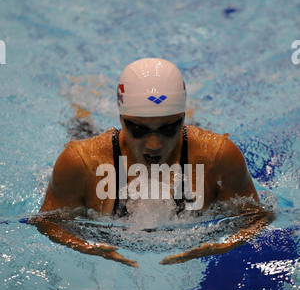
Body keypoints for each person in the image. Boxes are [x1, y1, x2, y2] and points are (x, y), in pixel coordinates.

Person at [34, 58, 273, 267]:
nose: (154, 145)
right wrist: (85, 247)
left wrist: (222, 246)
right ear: (121, 119)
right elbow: (48, 221)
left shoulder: (218, 155)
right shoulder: (82, 162)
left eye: (169, 127)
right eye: (138, 128)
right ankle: (82, 108)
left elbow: (258, 217)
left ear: (182, 118)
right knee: (81, 127)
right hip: (104, 147)